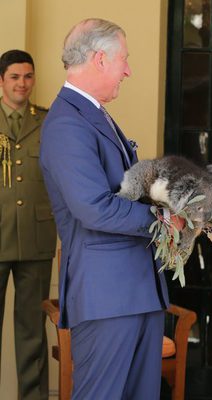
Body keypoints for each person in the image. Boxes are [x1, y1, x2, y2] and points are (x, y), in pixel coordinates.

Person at [39, 19, 170, 399]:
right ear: (100, 59)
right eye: (124, 60)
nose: (128, 70)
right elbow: (93, 207)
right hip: (106, 296)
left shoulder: (93, 114)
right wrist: (162, 221)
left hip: (134, 291)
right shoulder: (67, 123)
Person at [0, 49, 56, 400]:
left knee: (32, 332)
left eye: (28, 76)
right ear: (2, 81)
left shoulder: (49, 122)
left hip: (35, 239)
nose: (23, 83)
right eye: (15, 77)